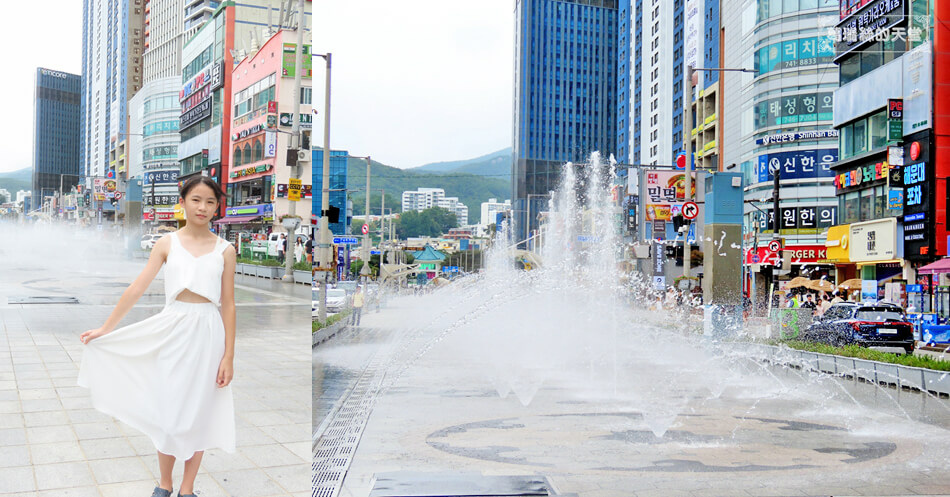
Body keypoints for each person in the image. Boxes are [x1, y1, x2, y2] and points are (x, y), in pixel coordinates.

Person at [78, 176, 236, 497]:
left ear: (217, 207)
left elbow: (229, 305)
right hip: (172, 328)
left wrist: (228, 356)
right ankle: (165, 484)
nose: (202, 207)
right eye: (196, 200)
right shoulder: (168, 243)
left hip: (208, 334)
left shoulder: (225, 250)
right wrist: (106, 328)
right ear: (183, 202)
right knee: (170, 410)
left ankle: (187, 490)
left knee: (200, 412)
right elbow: (137, 287)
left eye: (209, 201)